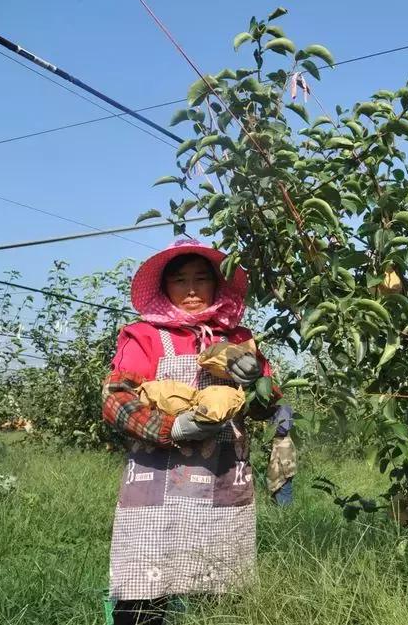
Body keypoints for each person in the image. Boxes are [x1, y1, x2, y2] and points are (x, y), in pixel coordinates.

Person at [101, 239, 280, 625]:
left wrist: (257, 379)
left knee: (220, 594)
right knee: (143, 592)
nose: (193, 289)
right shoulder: (144, 335)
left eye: (202, 278)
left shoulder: (236, 338)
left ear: (218, 285)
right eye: (181, 280)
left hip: (221, 478)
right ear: (165, 288)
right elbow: (116, 399)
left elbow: (268, 404)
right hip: (156, 482)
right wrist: (173, 426)